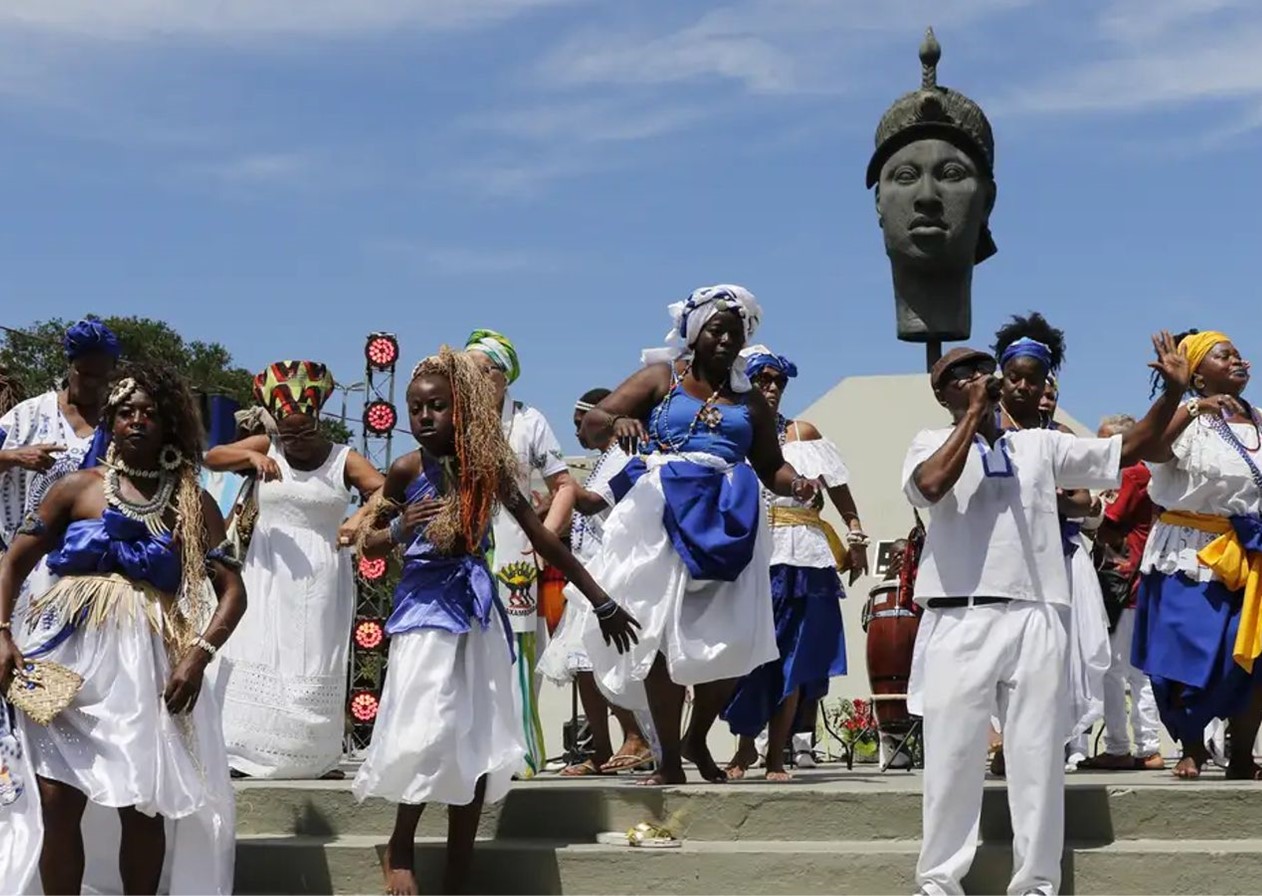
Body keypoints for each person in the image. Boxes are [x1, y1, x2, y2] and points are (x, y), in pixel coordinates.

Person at [903, 334, 1186, 896]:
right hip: (960, 616)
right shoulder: (928, 441)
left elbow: (1132, 448)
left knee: (1037, 759)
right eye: (963, 376)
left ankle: (1035, 884)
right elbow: (932, 487)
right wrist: (976, 419)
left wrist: (1174, 392)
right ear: (942, 396)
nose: (980, 379)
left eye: (986, 371)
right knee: (953, 758)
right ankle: (938, 881)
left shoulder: (1039, 445)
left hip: (1037, 614)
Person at [350, 348, 638, 896]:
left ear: (462, 410)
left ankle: (461, 861)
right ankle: (402, 844)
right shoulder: (408, 469)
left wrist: (600, 599)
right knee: (424, 726)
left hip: (477, 609)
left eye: (437, 406)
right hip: (423, 611)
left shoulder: (491, 467)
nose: (425, 417)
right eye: (415, 408)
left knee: (476, 735)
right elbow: (367, 541)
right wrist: (402, 529)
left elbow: (544, 539)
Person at [0, 363, 246, 895]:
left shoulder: (192, 502)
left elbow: (233, 592)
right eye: (125, 412)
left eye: (149, 414)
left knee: (142, 804)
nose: (136, 421)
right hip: (63, 662)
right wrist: (1, 633)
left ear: (171, 426)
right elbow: (13, 563)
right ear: (110, 422)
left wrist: (198, 655)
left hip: (145, 670)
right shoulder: (73, 489)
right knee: (57, 802)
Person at [576, 285, 821, 786]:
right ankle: (669, 757)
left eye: (736, 331)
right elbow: (593, 425)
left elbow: (770, 466)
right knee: (662, 633)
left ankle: (698, 736)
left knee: (731, 638)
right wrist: (620, 419)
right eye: (717, 329)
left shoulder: (751, 401)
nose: (728, 339)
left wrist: (797, 483)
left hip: (731, 515)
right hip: (663, 510)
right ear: (694, 332)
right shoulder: (661, 377)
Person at [207, 361, 384, 779]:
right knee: (259, 648)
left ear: (319, 421)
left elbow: (383, 488)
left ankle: (314, 757)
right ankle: (247, 753)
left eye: (305, 432)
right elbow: (211, 457)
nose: (297, 442)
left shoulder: (343, 457)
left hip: (323, 570)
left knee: (315, 655)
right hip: (268, 570)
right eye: (289, 434)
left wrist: (358, 522)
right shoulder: (268, 447)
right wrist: (251, 453)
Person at [723, 345, 869, 781]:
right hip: (751, 554)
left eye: (778, 381)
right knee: (749, 654)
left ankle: (775, 756)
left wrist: (855, 531)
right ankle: (745, 744)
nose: (771, 388)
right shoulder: (729, 433)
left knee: (793, 654)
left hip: (802, 556)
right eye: (761, 380)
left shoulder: (801, 434)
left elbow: (838, 486)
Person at [1133, 329, 1262, 780]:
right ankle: (1191, 746)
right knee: (1185, 653)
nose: (1238, 360)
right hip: (1190, 553)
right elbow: (1146, 448)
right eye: (1224, 355)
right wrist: (1183, 401)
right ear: (1199, 376)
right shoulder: (1189, 419)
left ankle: (1243, 753)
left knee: (1252, 655)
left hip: (1249, 553)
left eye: (1239, 354)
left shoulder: (1261, 420)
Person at [988, 314, 1111, 774]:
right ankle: (1005, 745)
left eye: (1033, 379)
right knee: (1002, 657)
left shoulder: (1058, 438)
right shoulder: (983, 432)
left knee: (1054, 657)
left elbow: (1082, 500)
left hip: (1057, 558)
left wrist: (1051, 495)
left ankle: (1048, 743)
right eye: (1014, 376)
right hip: (1000, 562)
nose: (1023, 386)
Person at [465, 329, 577, 778]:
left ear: (500, 377)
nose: (469, 379)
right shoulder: (455, 418)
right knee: (465, 649)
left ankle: (520, 756)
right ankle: (471, 755)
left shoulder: (529, 421)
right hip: (465, 550)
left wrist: (542, 542)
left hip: (515, 552)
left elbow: (564, 487)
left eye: (478, 370)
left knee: (517, 652)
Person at [537, 388, 653, 776]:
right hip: (587, 572)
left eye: (581, 424)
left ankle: (635, 737)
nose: (578, 433)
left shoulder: (630, 452)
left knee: (596, 662)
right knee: (581, 665)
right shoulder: (603, 459)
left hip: (612, 573)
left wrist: (561, 486)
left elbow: (590, 503)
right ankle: (601, 750)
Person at [1078, 414, 1163, 771]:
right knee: (1128, 670)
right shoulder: (1133, 473)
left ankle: (1130, 747)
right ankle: (1141, 746)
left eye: (1106, 442)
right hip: (1125, 582)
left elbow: (1107, 522)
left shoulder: (1131, 474)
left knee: (1117, 669)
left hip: (1125, 585)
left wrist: (1071, 510)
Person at [0, 320, 120, 549]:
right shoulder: (28, 415)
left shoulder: (117, 425)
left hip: (89, 565)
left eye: (100, 376)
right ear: (69, 365)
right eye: (83, 373)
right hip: (21, 561)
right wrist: (15, 456)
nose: (91, 384)